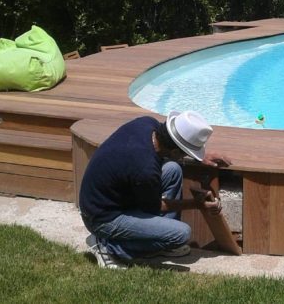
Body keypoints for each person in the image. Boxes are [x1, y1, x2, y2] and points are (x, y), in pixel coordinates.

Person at [79, 110, 232, 268]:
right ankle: (109, 247)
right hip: (103, 218)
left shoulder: (147, 124)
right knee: (181, 234)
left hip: (107, 198)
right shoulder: (145, 168)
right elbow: (155, 206)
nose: (185, 156)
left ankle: (163, 243)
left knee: (173, 169)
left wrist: (200, 157)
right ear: (174, 151)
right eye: (185, 153)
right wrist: (196, 204)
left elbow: (169, 150)